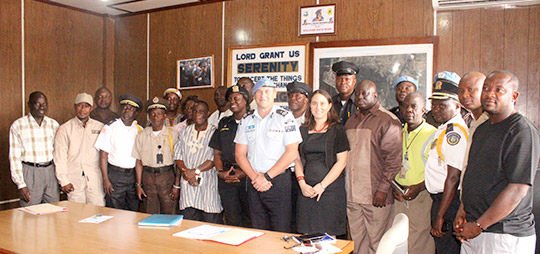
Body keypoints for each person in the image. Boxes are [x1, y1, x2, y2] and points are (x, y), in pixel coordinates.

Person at [455, 71, 539, 253]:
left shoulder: (521, 131)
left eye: (499, 90)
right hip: (474, 228)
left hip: (503, 233)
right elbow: (473, 174)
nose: (490, 94)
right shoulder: (482, 129)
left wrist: (479, 225)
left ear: (513, 96)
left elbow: (517, 189)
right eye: (486, 88)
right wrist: (462, 211)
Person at [235, 78, 302, 233]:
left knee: (281, 230)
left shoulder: (285, 117)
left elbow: (292, 152)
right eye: (259, 91)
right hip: (254, 182)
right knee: (257, 231)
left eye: (267, 91)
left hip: (278, 182)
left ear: (274, 94)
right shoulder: (246, 119)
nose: (263, 95)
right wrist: (255, 178)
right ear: (254, 95)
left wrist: (267, 177)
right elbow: (239, 155)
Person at [344, 80, 402, 254]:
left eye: (365, 93)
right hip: (353, 195)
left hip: (376, 195)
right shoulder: (350, 121)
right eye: (357, 94)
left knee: (378, 244)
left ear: (375, 96)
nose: (360, 97)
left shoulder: (388, 121)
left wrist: (383, 189)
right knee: (356, 242)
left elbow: (393, 160)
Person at [294, 89, 349, 237]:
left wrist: (322, 185)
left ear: (330, 105)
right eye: (315, 103)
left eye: (323, 103)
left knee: (329, 239)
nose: (318, 107)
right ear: (310, 106)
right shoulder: (302, 130)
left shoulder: (338, 130)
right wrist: (302, 184)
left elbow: (341, 162)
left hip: (330, 191)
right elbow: (297, 159)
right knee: (307, 238)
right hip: (306, 191)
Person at [423, 73, 468, 254]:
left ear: (457, 106)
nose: (436, 109)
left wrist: (440, 215)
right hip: (440, 200)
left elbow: (453, 177)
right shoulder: (444, 128)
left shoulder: (454, 133)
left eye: (443, 105)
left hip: (448, 202)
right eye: (434, 105)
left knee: (448, 250)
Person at [392, 92, 436, 254]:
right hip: (398, 195)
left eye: (414, 106)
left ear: (423, 110)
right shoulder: (396, 131)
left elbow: (438, 171)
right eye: (405, 106)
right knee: (398, 240)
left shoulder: (433, 134)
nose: (409, 110)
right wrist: (393, 187)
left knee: (419, 241)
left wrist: (419, 187)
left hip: (421, 195)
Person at [209, 85, 251, 227]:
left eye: (236, 98)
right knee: (232, 219)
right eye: (230, 99)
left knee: (251, 218)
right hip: (226, 176)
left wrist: (244, 172)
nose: (232, 102)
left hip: (249, 177)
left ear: (245, 100)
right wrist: (221, 172)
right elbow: (217, 151)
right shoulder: (224, 122)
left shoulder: (255, 121)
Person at [9, 91, 60, 206]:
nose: (42, 107)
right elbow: (14, 157)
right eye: (37, 104)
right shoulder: (18, 125)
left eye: (44, 104)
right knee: (29, 213)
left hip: (50, 171)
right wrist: (21, 184)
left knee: (55, 211)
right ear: (29, 105)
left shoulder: (54, 125)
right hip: (30, 172)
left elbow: (59, 152)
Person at [174, 101, 222, 223]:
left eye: (201, 111)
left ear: (208, 113)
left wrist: (194, 172)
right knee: (189, 224)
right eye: (195, 111)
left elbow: (213, 159)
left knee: (210, 224)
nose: (197, 114)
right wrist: (186, 172)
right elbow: (178, 156)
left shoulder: (215, 132)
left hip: (208, 185)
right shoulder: (185, 132)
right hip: (188, 185)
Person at [54, 93, 105, 206]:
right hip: (74, 180)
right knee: (76, 216)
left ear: (91, 108)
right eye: (79, 105)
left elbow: (105, 155)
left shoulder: (100, 127)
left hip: (95, 179)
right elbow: (59, 156)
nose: (83, 109)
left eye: (86, 106)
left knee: (98, 214)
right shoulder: (65, 129)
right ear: (74, 106)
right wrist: (64, 181)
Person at [94, 94, 143, 211]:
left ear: (136, 112)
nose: (127, 110)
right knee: (114, 212)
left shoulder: (139, 130)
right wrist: (105, 180)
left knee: (133, 211)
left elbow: (139, 160)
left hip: (132, 176)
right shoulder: (110, 127)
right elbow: (103, 156)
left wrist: (138, 183)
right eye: (125, 107)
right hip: (116, 175)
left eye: (131, 108)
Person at [133, 97, 180, 214]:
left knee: (169, 211)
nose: (155, 117)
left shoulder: (173, 134)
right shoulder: (142, 135)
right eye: (152, 114)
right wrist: (138, 184)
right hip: (148, 176)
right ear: (149, 116)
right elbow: (138, 161)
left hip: (167, 177)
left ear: (165, 116)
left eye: (159, 114)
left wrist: (176, 185)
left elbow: (179, 161)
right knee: (150, 211)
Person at [331, 61, 359, 125]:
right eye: (340, 79)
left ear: (354, 81)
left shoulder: (360, 102)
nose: (343, 83)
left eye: (347, 79)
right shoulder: (330, 102)